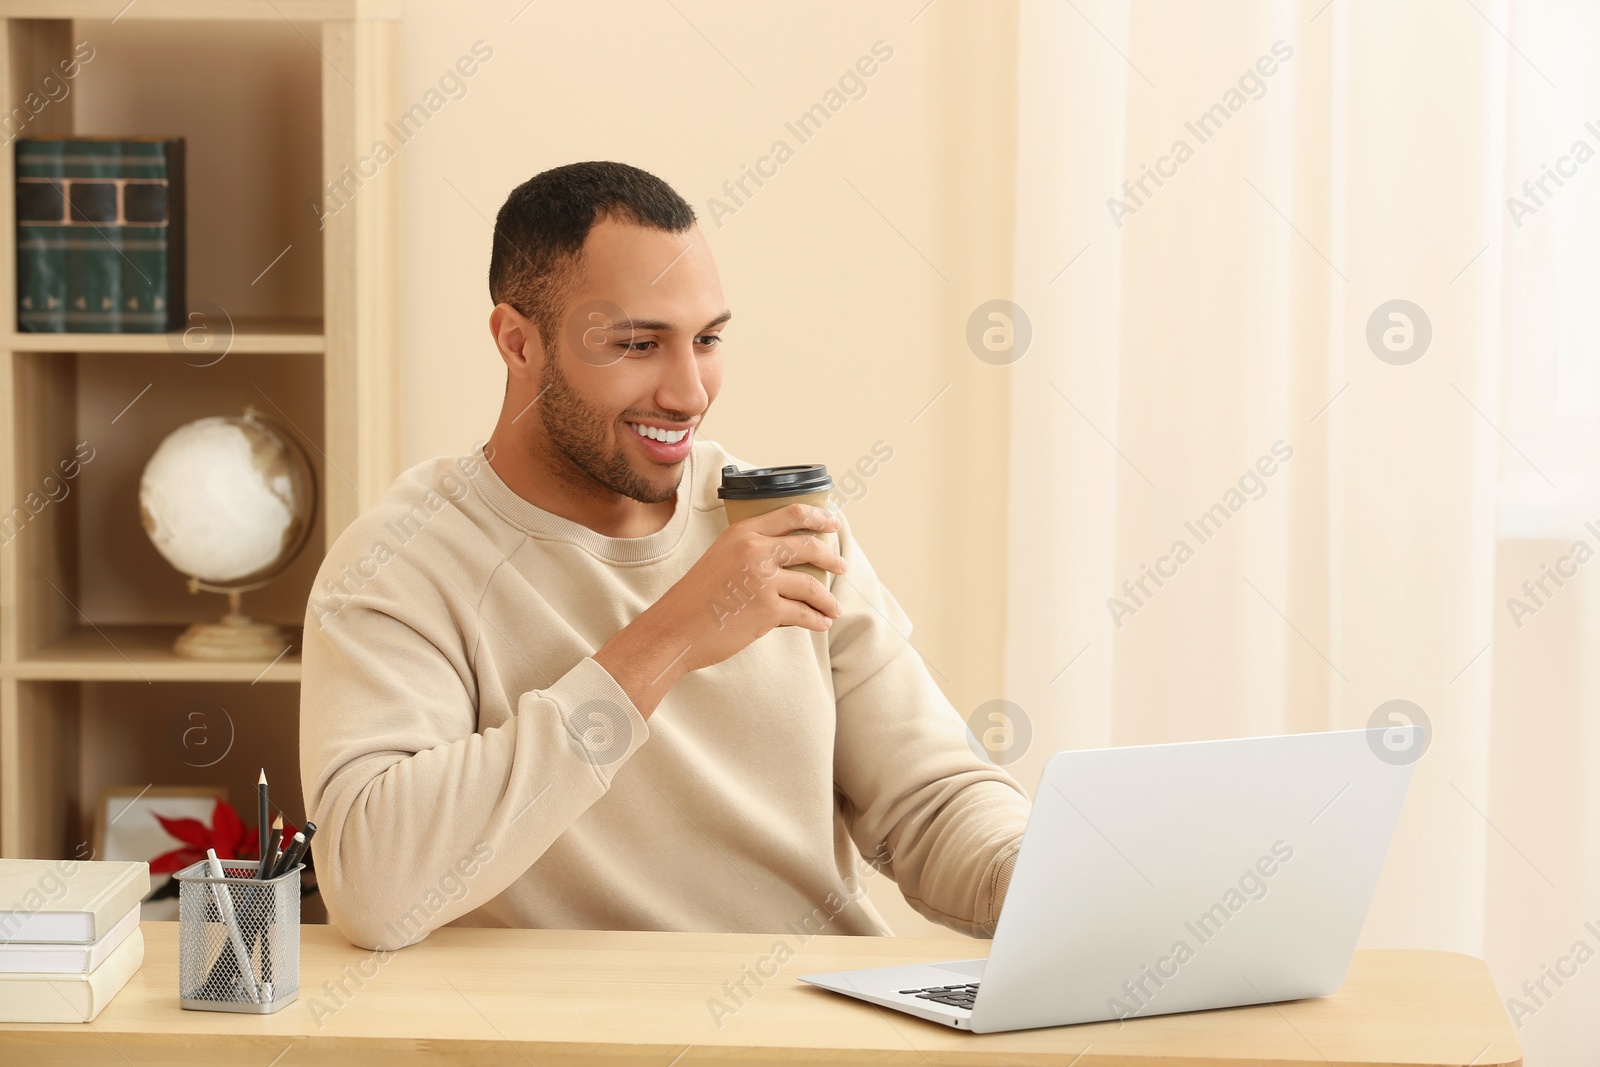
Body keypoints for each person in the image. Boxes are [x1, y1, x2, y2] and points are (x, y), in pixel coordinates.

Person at [299, 161, 1031, 951]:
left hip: (811, 1023)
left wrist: (1052, 880)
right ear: (519, 342)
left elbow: (931, 801)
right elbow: (373, 885)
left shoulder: (775, 522)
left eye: (707, 340)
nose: (689, 392)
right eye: (640, 343)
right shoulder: (405, 559)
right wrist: (674, 636)